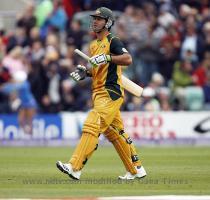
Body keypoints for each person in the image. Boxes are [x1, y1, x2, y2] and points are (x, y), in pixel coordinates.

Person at [56, 7, 147, 180]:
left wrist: (108, 57)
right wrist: (87, 73)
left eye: (99, 19)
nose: (95, 21)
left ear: (108, 22)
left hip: (110, 91)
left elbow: (128, 59)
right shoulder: (93, 45)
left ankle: (75, 167)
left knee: (92, 124)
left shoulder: (113, 41)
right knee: (115, 133)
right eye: (94, 18)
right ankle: (136, 169)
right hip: (98, 92)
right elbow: (99, 69)